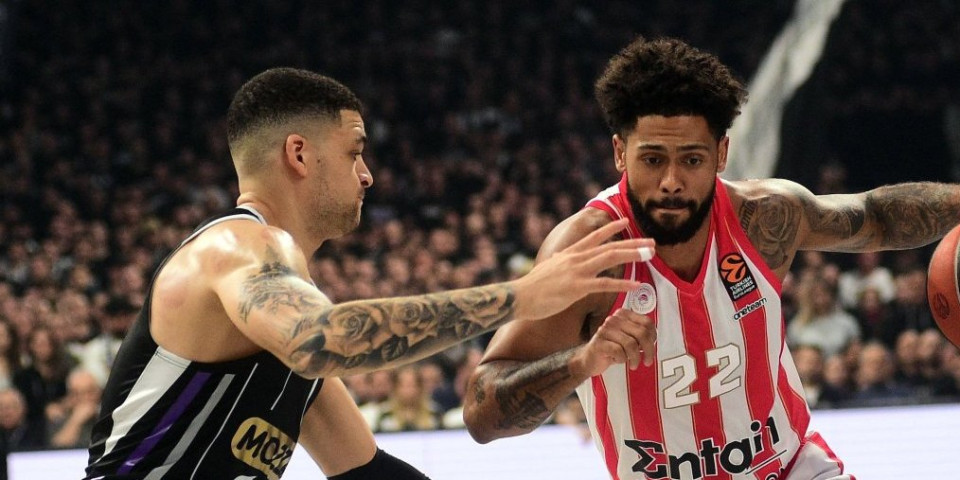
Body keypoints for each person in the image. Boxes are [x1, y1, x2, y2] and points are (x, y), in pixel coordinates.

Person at [83, 67, 650, 479]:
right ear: (299, 154)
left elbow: (366, 472)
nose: (368, 174)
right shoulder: (233, 247)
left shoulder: (280, 317)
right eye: (354, 152)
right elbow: (323, 341)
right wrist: (519, 297)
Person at [464, 36, 960, 480]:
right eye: (652, 159)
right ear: (620, 152)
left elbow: (875, 216)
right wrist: (581, 361)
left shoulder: (764, 217)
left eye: (692, 159)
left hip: (791, 469)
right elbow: (482, 415)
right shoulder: (588, 253)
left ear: (721, 154)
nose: (671, 181)